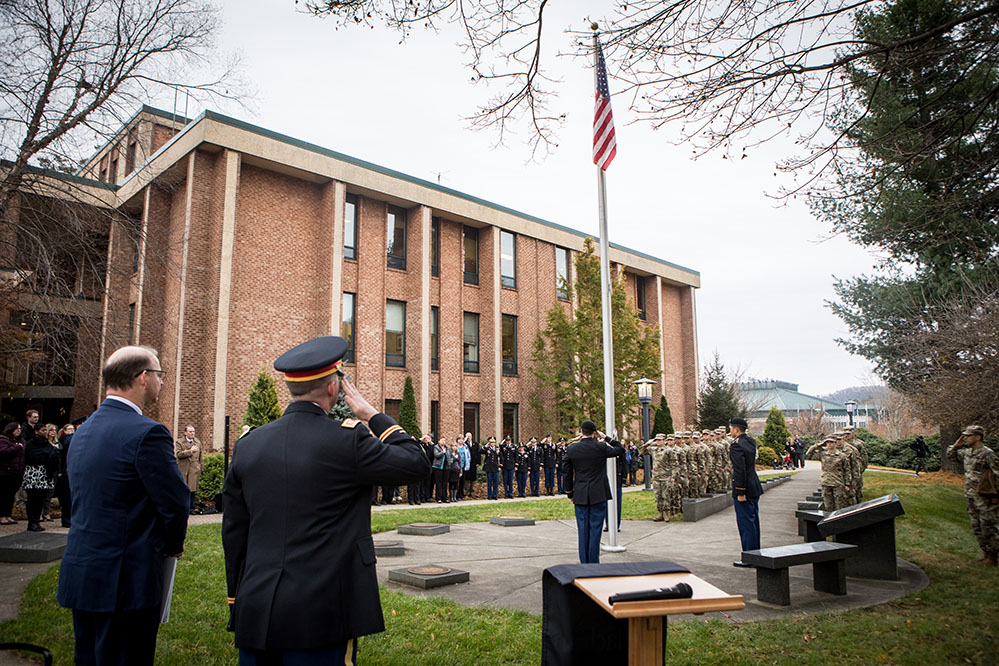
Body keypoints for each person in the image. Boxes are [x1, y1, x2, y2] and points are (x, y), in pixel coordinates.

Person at [222, 336, 429, 663]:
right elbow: (415, 461)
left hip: (256, 609)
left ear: (292, 386)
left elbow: (234, 532)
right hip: (322, 612)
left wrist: (237, 599)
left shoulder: (249, 444)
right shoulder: (347, 440)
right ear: (333, 388)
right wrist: (372, 414)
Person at [57, 345, 190, 665]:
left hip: (83, 573)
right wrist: (172, 546)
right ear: (143, 378)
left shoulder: (82, 432)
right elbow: (175, 502)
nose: (161, 381)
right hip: (125, 581)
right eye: (159, 374)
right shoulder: (148, 433)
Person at [561, 420, 625, 564]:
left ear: (581, 431)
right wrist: (607, 438)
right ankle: (594, 562)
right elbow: (620, 449)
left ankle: (584, 562)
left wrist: (570, 492)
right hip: (598, 493)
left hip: (581, 493)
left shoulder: (572, 449)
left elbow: (566, 472)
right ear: (595, 432)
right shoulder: (601, 447)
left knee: (583, 530)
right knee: (596, 529)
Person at [946, 425, 999, 566]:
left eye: (969, 436)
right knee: (976, 526)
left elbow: (997, 475)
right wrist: (956, 445)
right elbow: (951, 455)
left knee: (988, 525)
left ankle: (993, 556)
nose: (966, 438)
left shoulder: (988, 454)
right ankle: (986, 553)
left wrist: (996, 496)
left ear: (978, 437)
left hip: (985, 497)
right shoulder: (967, 453)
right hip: (970, 495)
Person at [729, 417, 763, 567]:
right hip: (754, 485)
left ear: (736, 429)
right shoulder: (750, 441)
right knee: (753, 520)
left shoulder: (736, 446)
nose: (729, 431)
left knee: (746, 523)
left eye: (730, 428)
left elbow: (740, 470)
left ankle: (749, 556)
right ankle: (755, 553)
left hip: (745, 488)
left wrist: (740, 491)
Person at [22, 423, 59, 531]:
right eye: (42, 430)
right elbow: (31, 456)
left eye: (45, 430)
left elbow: (53, 456)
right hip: (34, 473)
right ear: (36, 431)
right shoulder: (30, 444)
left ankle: (37, 521)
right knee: (32, 498)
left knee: (41, 499)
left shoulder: (47, 444)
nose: (44, 432)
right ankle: (31, 521)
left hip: (45, 474)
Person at [0, 423, 25, 525]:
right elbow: (3, 452)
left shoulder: (21, 441)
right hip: (5, 472)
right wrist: (16, 447)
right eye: (17, 429)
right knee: (3, 495)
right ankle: (2, 515)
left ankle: (8, 515)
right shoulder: (3, 440)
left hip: (17, 472)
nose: (19, 431)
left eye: (20, 429)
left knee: (11, 495)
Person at [174, 425, 203, 514]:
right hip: (183, 469)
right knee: (184, 489)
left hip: (194, 469)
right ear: (185, 433)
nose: (192, 433)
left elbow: (201, 456)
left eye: (193, 431)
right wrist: (190, 451)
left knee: (192, 490)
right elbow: (178, 454)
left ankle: (191, 507)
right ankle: (183, 507)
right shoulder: (179, 442)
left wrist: (201, 467)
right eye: (190, 432)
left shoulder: (197, 442)